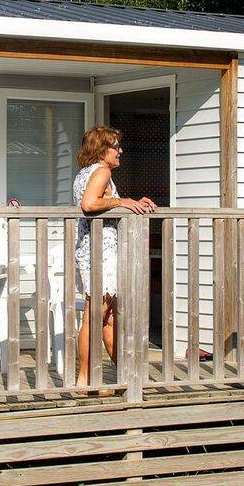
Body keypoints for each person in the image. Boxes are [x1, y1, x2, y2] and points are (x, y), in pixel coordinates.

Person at [73, 126, 156, 388]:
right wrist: (122, 202)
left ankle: (127, 378)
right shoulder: (102, 171)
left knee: (106, 318)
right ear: (102, 150)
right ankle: (85, 381)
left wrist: (131, 203)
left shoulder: (84, 174)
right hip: (101, 252)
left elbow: (99, 201)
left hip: (91, 249)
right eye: (116, 147)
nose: (120, 151)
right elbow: (90, 203)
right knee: (95, 315)